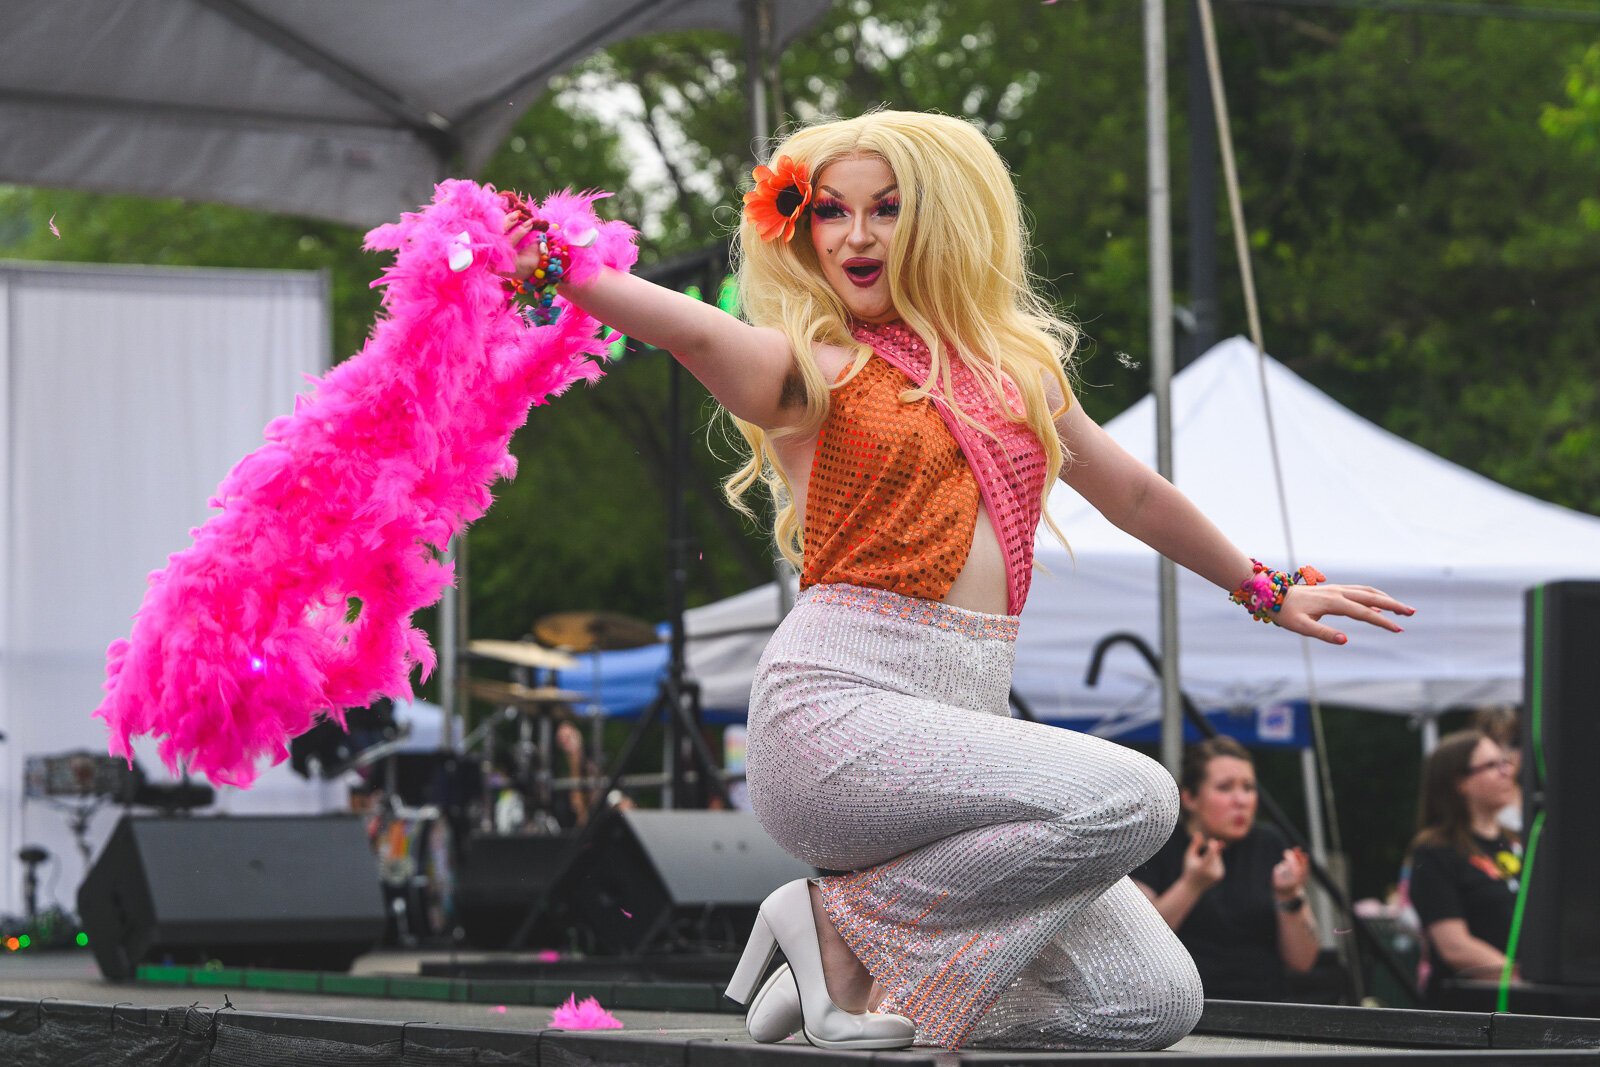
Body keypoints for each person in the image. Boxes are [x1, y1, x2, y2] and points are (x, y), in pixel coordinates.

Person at [508, 110, 1412, 1052]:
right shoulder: (815, 366)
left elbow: (1136, 495)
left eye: (887, 209)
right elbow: (691, 332)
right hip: (836, 714)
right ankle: (837, 938)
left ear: (946, 221)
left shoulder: (1021, 377)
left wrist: (1266, 588)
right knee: (1138, 796)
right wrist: (558, 263)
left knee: (1148, 1003)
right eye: (831, 212)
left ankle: (860, 968)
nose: (855, 236)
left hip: (965, 729)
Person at [1131, 737, 1319, 1001]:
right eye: (1225, 788)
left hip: (1264, 1006)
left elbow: (1303, 961)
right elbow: (1135, 944)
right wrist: (1191, 885)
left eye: (1248, 788)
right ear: (1190, 798)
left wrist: (1289, 896)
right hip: (1179, 1006)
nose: (1241, 800)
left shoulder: (1269, 843)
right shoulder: (1160, 844)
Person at [1407, 728, 1522, 1005]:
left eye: (1505, 762)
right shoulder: (1434, 851)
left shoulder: (1517, 841)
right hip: (1472, 1012)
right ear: (1460, 782)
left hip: (1524, 1003)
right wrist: (1522, 981)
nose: (1507, 772)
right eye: (1492, 765)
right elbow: (1454, 947)